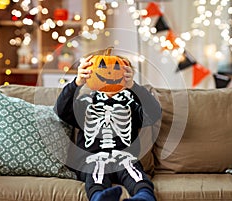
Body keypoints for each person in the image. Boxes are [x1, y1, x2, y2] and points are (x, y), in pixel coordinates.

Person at [54, 54, 162, 201]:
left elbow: (154, 114)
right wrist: (77, 82)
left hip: (124, 157)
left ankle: (144, 197)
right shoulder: (86, 102)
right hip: (91, 159)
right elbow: (61, 110)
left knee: (133, 171)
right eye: (104, 68)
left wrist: (134, 87)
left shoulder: (131, 105)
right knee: (96, 172)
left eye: (119, 69)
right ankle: (99, 197)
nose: (111, 73)